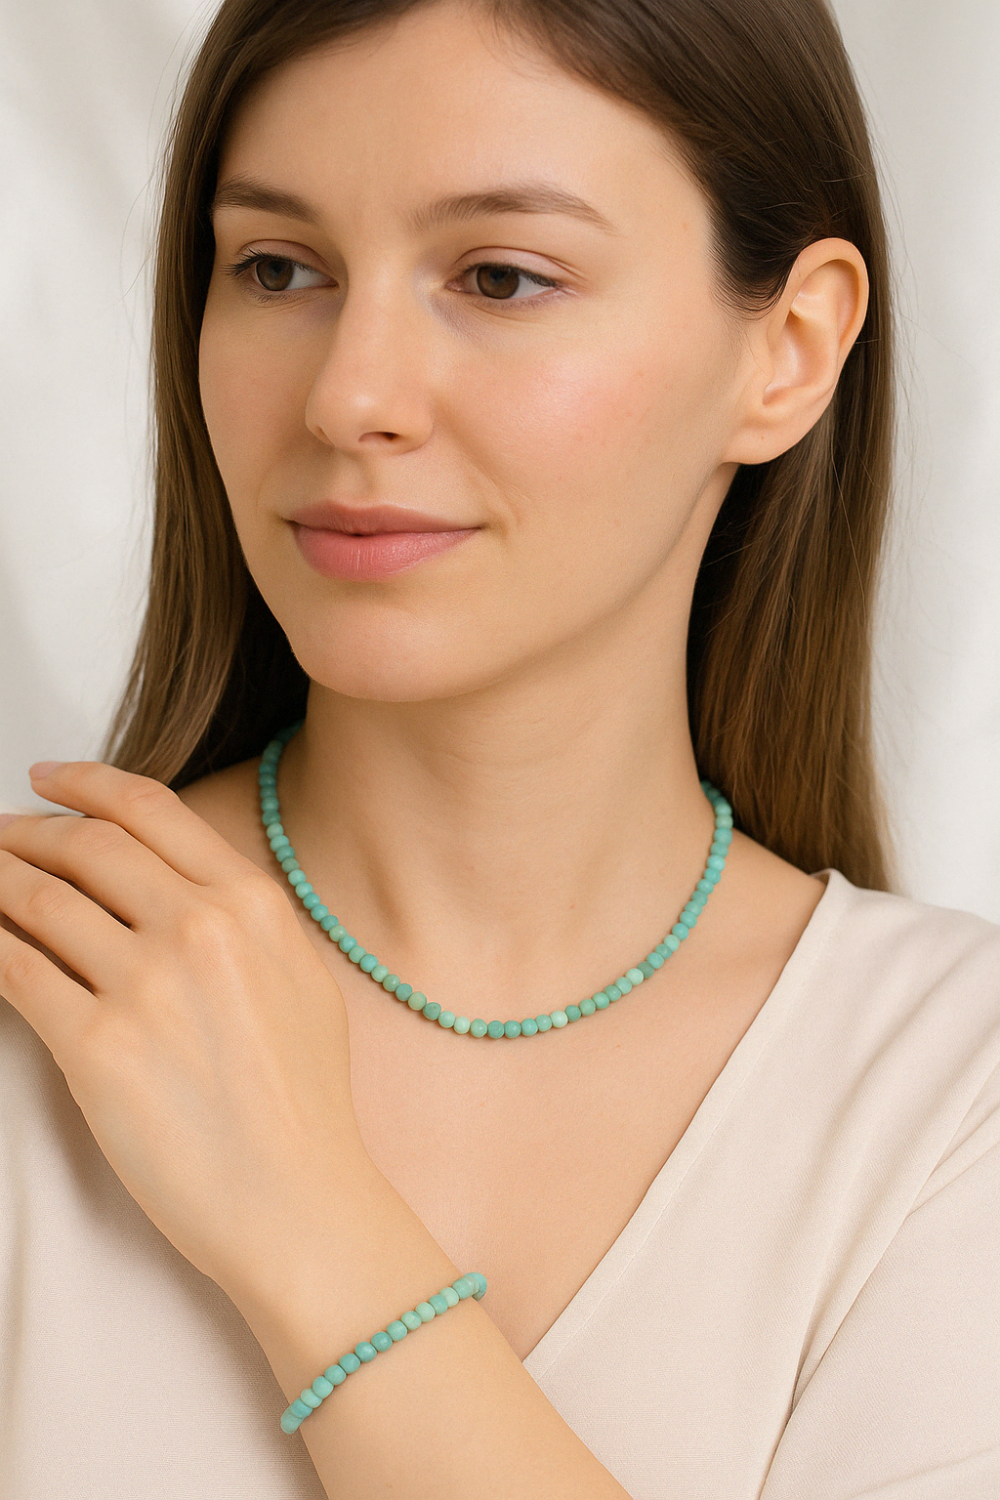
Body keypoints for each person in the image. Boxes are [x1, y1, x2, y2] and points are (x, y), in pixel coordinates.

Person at [0, 0, 997, 1495]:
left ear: (788, 352)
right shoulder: (31, 1008)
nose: (349, 398)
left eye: (501, 278)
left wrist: (306, 1218)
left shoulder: (950, 1096)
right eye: (277, 268)